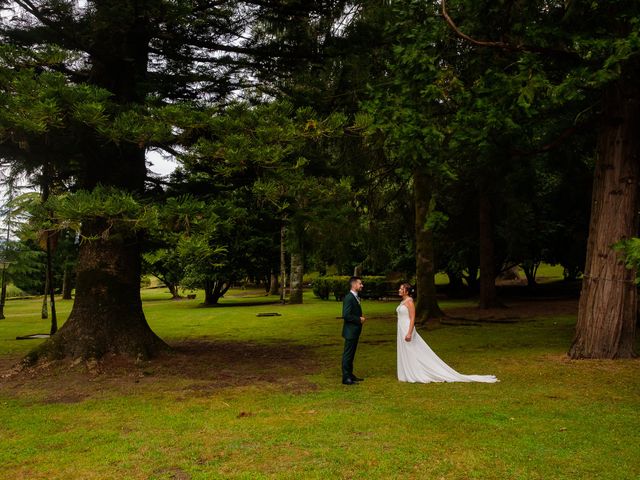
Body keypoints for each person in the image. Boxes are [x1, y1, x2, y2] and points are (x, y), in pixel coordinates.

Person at [396, 283, 498, 384]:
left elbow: (412, 317)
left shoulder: (409, 302)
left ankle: (415, 371)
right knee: (406, 350)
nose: (399, 290)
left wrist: (409, 332)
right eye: (400, 289)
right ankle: (406, 370)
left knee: (412, 350)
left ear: (407, 291)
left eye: (401, 289)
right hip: (401, 328)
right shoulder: (403, 301)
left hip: (407, 327)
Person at [341, 276, 366, 385]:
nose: (362, 285)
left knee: (351, 354)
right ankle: (346, 378)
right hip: (350, 331)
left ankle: (350, 374)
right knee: (348, 354)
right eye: (360, 284)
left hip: (354, 331)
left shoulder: (355, 297)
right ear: (354, 284)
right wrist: (358, 319)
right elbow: (346, 315)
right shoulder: (349, 297)